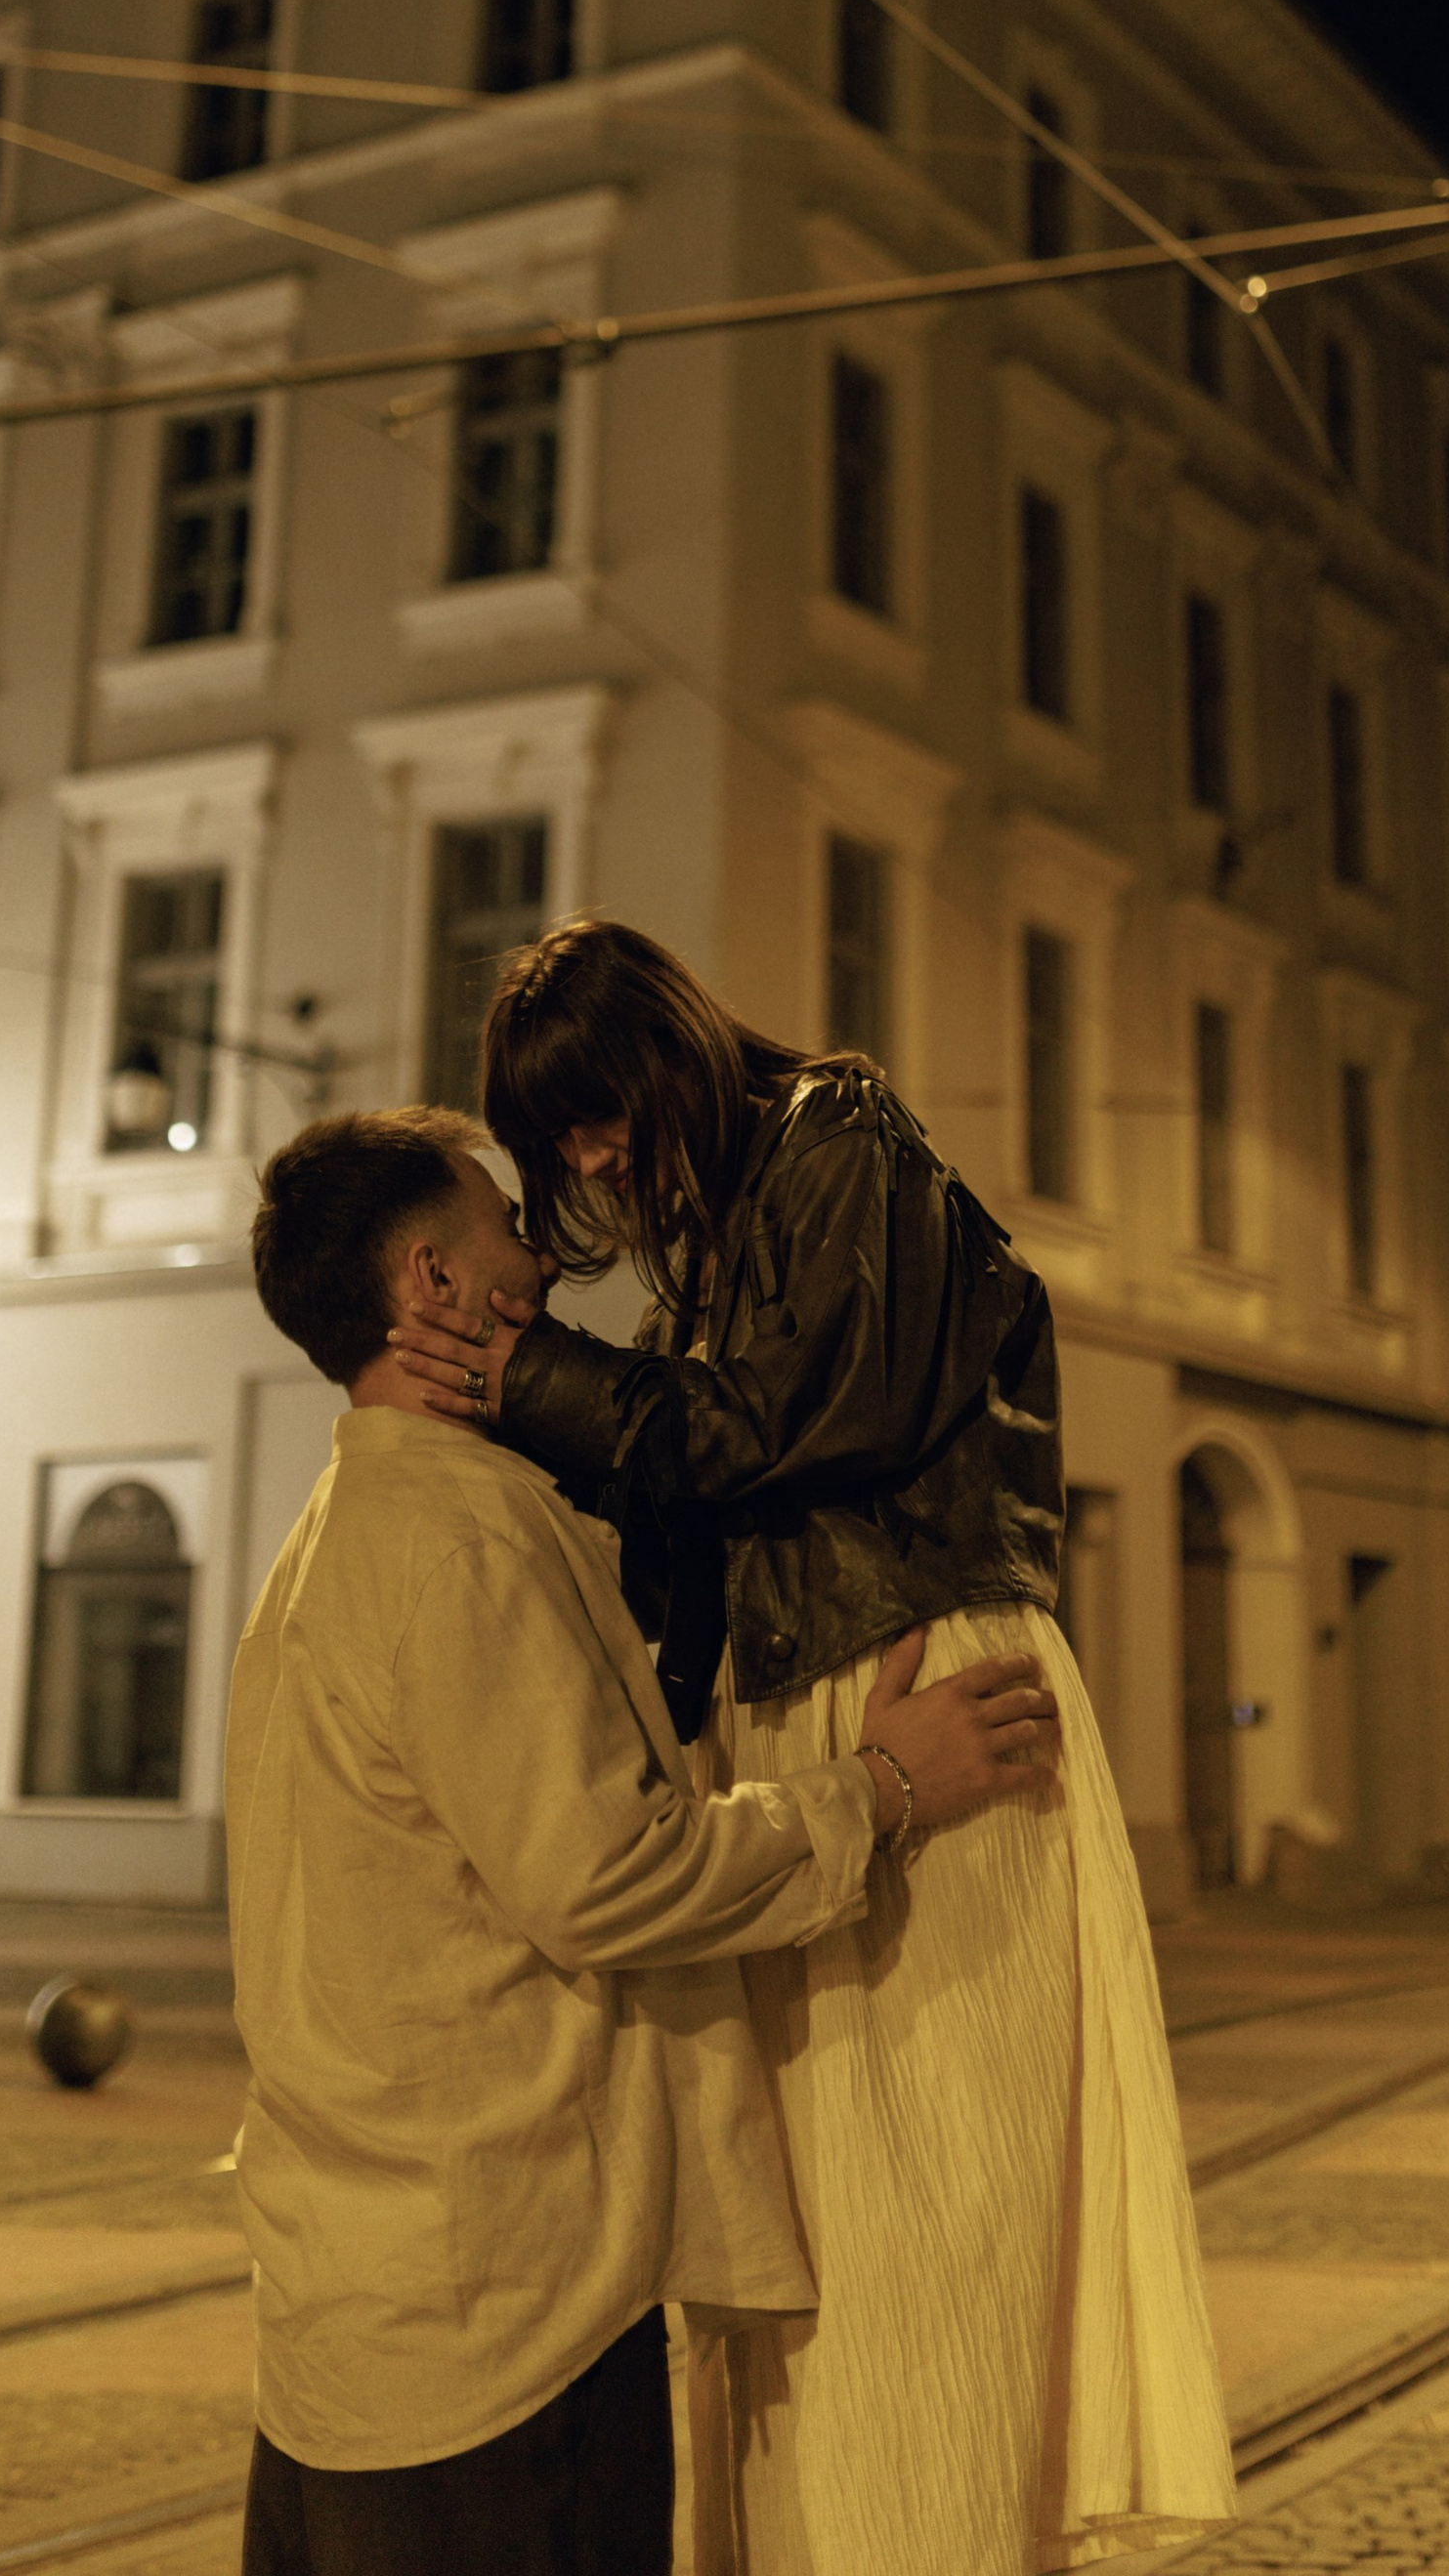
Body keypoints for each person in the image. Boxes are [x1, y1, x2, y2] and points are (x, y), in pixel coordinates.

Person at [386, 921, 1235, 2576]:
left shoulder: (845, 1139)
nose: (591, 1158)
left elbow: (778, 1426)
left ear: (669, 1050)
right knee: (801, 2245)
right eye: (560, 1137)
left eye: (597, 1112)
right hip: (817, 1713)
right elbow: (695, 1497)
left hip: (909, 1681)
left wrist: (526, 1372)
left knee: (927, 2244)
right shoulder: (719, 1240)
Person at [232, 1102, 1059, 2576]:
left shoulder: (331, 1538)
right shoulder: (459, 1542)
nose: (542, 1253)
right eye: (504, 1225)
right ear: (434, 1280)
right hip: (502, 2329)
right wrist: (883, 1785)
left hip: (358, 2313)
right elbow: (609, 1877)